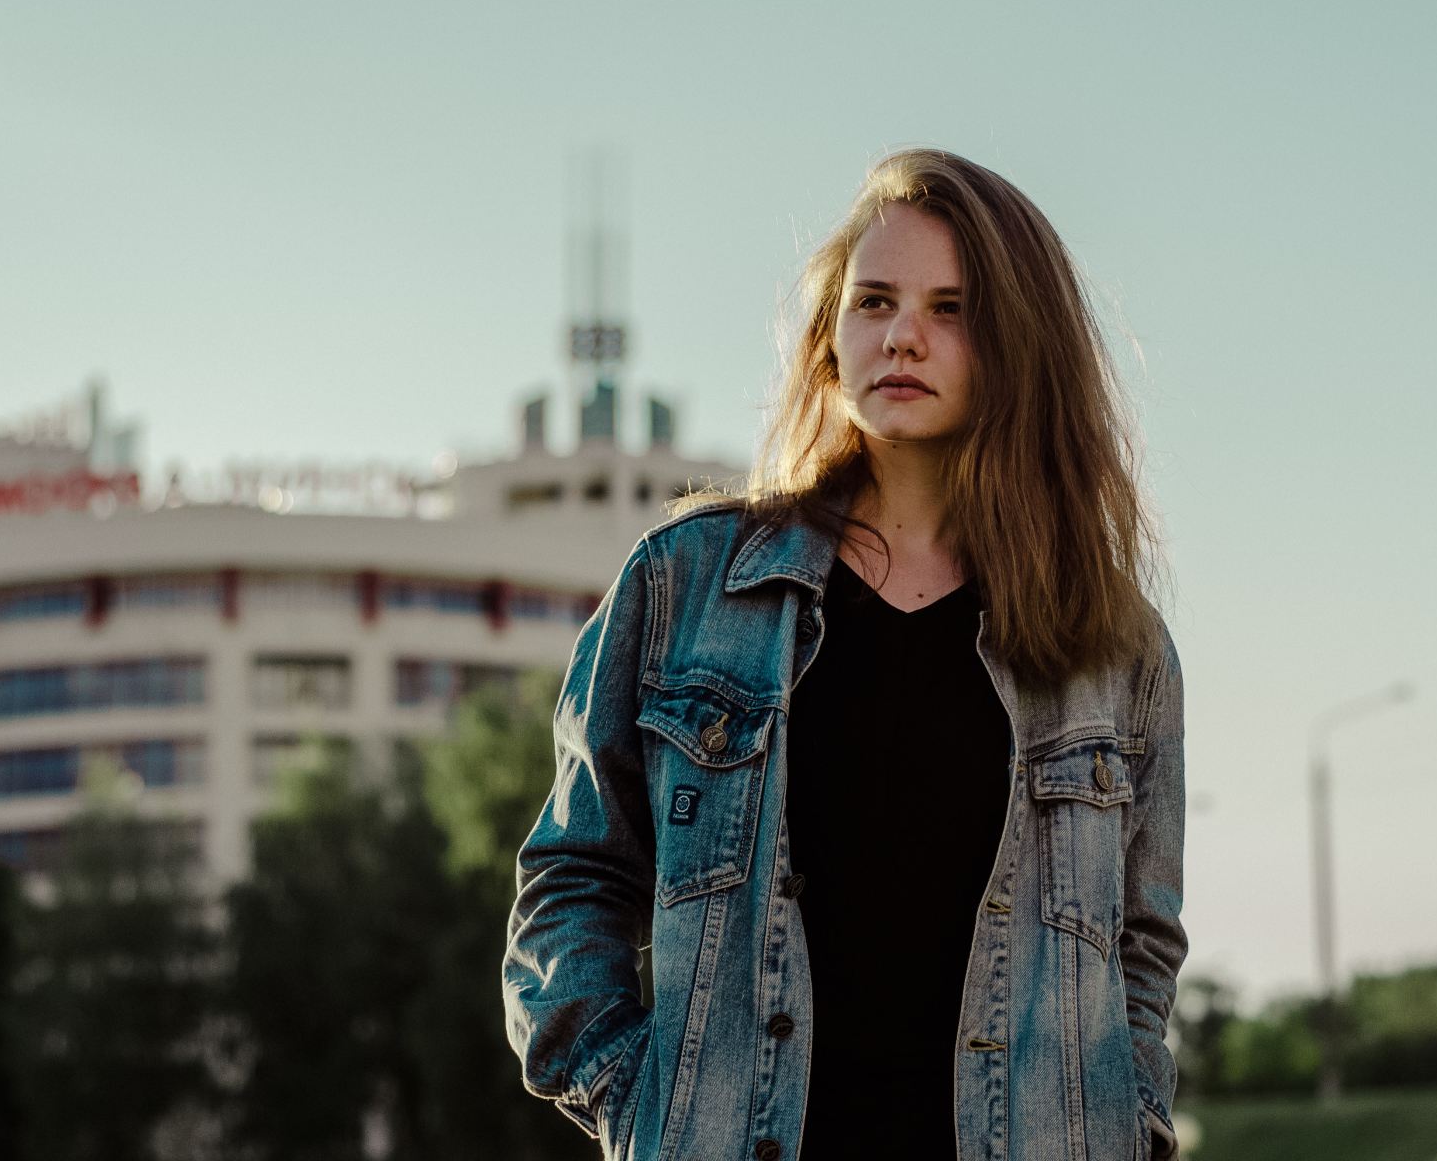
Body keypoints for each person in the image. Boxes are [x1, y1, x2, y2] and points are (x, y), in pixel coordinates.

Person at [502, 148, 1187, 1161]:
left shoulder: (1112, 641)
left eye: (953, 308)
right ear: (830, 338)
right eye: (875, 300)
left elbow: (1140, 947)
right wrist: (635, 1100)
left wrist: (1128, 1127)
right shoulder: (684, 586)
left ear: (1019, 346)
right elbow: (571, 877)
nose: (904, 334)